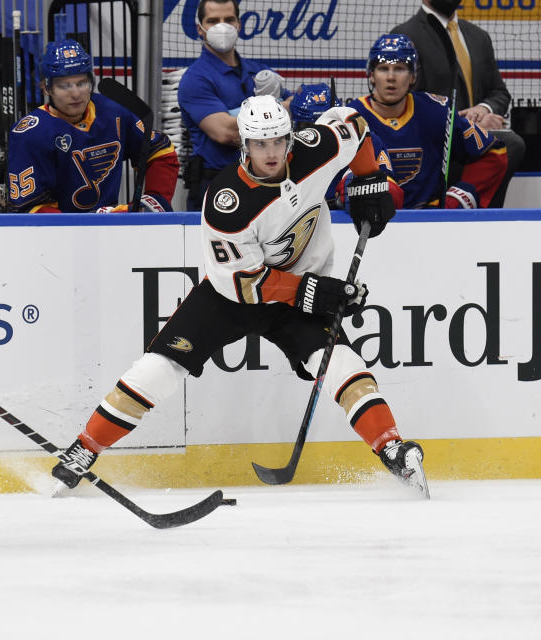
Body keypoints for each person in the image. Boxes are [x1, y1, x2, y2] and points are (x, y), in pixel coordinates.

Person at [50, 95, 430, 497]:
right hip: (230, 298)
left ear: (290, 138)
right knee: (159, 367)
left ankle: (393, 449)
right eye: (260, 144)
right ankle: (84, 449)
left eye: (279, 141)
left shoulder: (318, 149)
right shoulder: (226, 201)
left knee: (340, 363)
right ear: (244, 145)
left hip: (294, 299)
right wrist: (315, 291)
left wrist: (369, 180)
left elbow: (355, 123)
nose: (271, 153)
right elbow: (245, 284)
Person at [6, 39, 179, 213]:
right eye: (64, 86)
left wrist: (153, 202)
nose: (75, 93)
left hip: (110, 230)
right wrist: (84, 227)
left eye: (81, 83)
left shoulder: (113, 112)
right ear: (46, 88)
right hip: (59, 235)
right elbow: (31, 208)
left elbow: (160, 152)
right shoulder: (29, 134)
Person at [349, 34, 508, 210]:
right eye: (383, 68)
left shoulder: (435, 111)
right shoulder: (351, 117)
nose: (391, 77)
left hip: (429, 219)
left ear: (413, 77)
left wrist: (459, 196)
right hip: (373, 221)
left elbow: (495, 153)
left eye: (400, 68)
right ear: (371, 75)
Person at [392, 0, 525, 207]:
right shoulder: (405, 36)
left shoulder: (479, 37)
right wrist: (462, 123)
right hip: (435, 146)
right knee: (509, 143)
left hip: (473, 142)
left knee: (509, 145)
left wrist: (483, 109)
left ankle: (486, 217)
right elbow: (406, 102)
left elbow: (499, 92)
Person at [178, 0, 291, 211]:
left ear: (238, 25)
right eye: (213, 21)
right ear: (200, 29)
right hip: (218, 187)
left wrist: (287, 107)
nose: (222, 27)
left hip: (266, 185)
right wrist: (282, 110)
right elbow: (228, 132)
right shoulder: (195, 79)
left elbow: (295, 106)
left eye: (228, 20)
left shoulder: (258, 72)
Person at [290, 83, 404, 210]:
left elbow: (394, 196)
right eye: (309, 126)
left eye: (326, 125)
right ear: (296, 126)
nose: (319, 135)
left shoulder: (366, 140)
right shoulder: (284, 150)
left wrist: (365, 190)